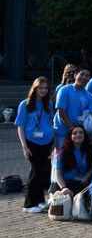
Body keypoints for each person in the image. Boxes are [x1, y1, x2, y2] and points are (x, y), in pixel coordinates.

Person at [17, 77, 55, 212]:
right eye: (41, 88)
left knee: (42, 172)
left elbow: (51, 122)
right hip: (32, 143)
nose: (43, 91)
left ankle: (39, 201)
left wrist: (53, 143)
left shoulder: (48, 104)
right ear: (35, 88)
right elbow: (20, 126)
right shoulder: (25, 104)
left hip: (47, 142)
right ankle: (28, 204)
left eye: (46, 88)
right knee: (35, 172)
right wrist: (24, 146)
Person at [54, 69, 92, 148]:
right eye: (82, 74)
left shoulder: (90, 96)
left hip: (79, 135)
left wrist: (84, 130)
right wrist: (72, 128)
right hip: (62, 133)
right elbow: (61, 111)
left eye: (87, 76)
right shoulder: (64, 90)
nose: (84, 77)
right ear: (75, 75)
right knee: (62, 158)